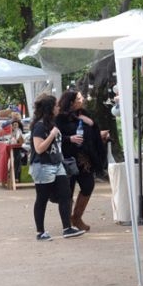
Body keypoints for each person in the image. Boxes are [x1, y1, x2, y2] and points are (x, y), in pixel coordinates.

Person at [28, 94, 85, 240]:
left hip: (57, 163)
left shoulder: (52, 124)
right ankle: (40, 232)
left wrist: (66, 138)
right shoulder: (40, 126)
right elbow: (39, 148)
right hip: (42, 165)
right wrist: (52, 135)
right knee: (42, 198)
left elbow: (57, 142)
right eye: (55, 106)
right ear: (49, 108)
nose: (58, 107)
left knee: (66, 195)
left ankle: (67, 228)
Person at [56, 90, 107, 232]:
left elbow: (91, 132)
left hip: (84, 159)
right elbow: (57, 135)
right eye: (79, 98)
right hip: (67, 159)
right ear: (71, 102)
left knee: (88, 185)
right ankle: (67, 224)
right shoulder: (60, 117)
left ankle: (77, 217)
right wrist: (70, 137)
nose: (82, 99)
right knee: (68, 191)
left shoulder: (84, 114)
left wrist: (92, 124)